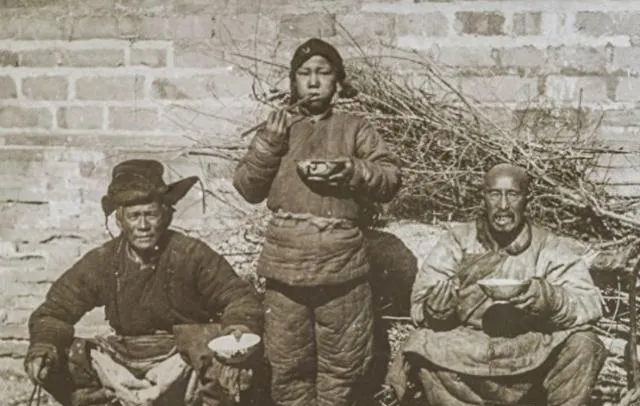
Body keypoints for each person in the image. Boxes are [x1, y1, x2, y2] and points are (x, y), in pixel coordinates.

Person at [233, 38, 401, 406]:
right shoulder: (279, 128)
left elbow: (390, 178)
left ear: (337, 82)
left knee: (344, 365)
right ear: (293, 81)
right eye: (304, 74)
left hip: (342, 269)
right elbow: (247, 188)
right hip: (285, 267)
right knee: (287, 363)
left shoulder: (354, 127)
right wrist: (268, 144)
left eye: (323, 73)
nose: (313, 82)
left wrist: (353, 170)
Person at [24, 159, 264, 406]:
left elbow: (239, 297)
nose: (143, 226)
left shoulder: (191, 254)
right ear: (120, 221)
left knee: (225, 361)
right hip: (124, 360)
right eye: (134, 216)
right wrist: (44, 346)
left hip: (184, 360)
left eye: (151, 214)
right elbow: (55, 311)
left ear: (166, 215)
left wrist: (238, 331)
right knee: (56, 361)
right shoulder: (103, 260)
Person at [386, 163, 606, 406]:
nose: (503, 206)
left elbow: (589, 302)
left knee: (585, 342)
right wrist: (436, 309)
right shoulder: (459, 239)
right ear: (483, 198)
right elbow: (420, 303)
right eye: (494, 194)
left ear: (526, 199)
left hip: (528, 351)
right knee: (420, 342)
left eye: (512, 194)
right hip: (468, 350)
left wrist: (550, 298)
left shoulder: (547, 245)